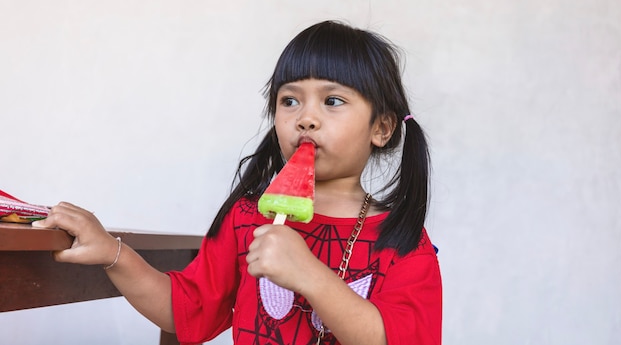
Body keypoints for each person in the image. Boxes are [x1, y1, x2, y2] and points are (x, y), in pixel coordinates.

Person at [33, 20, 442, 345]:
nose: (306, 117)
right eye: (290, 100)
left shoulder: (404, 243)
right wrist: (112, 252)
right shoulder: (247, 218)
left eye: (332, 101)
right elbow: (185, 310)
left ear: (382, 128)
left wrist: (310, 275)